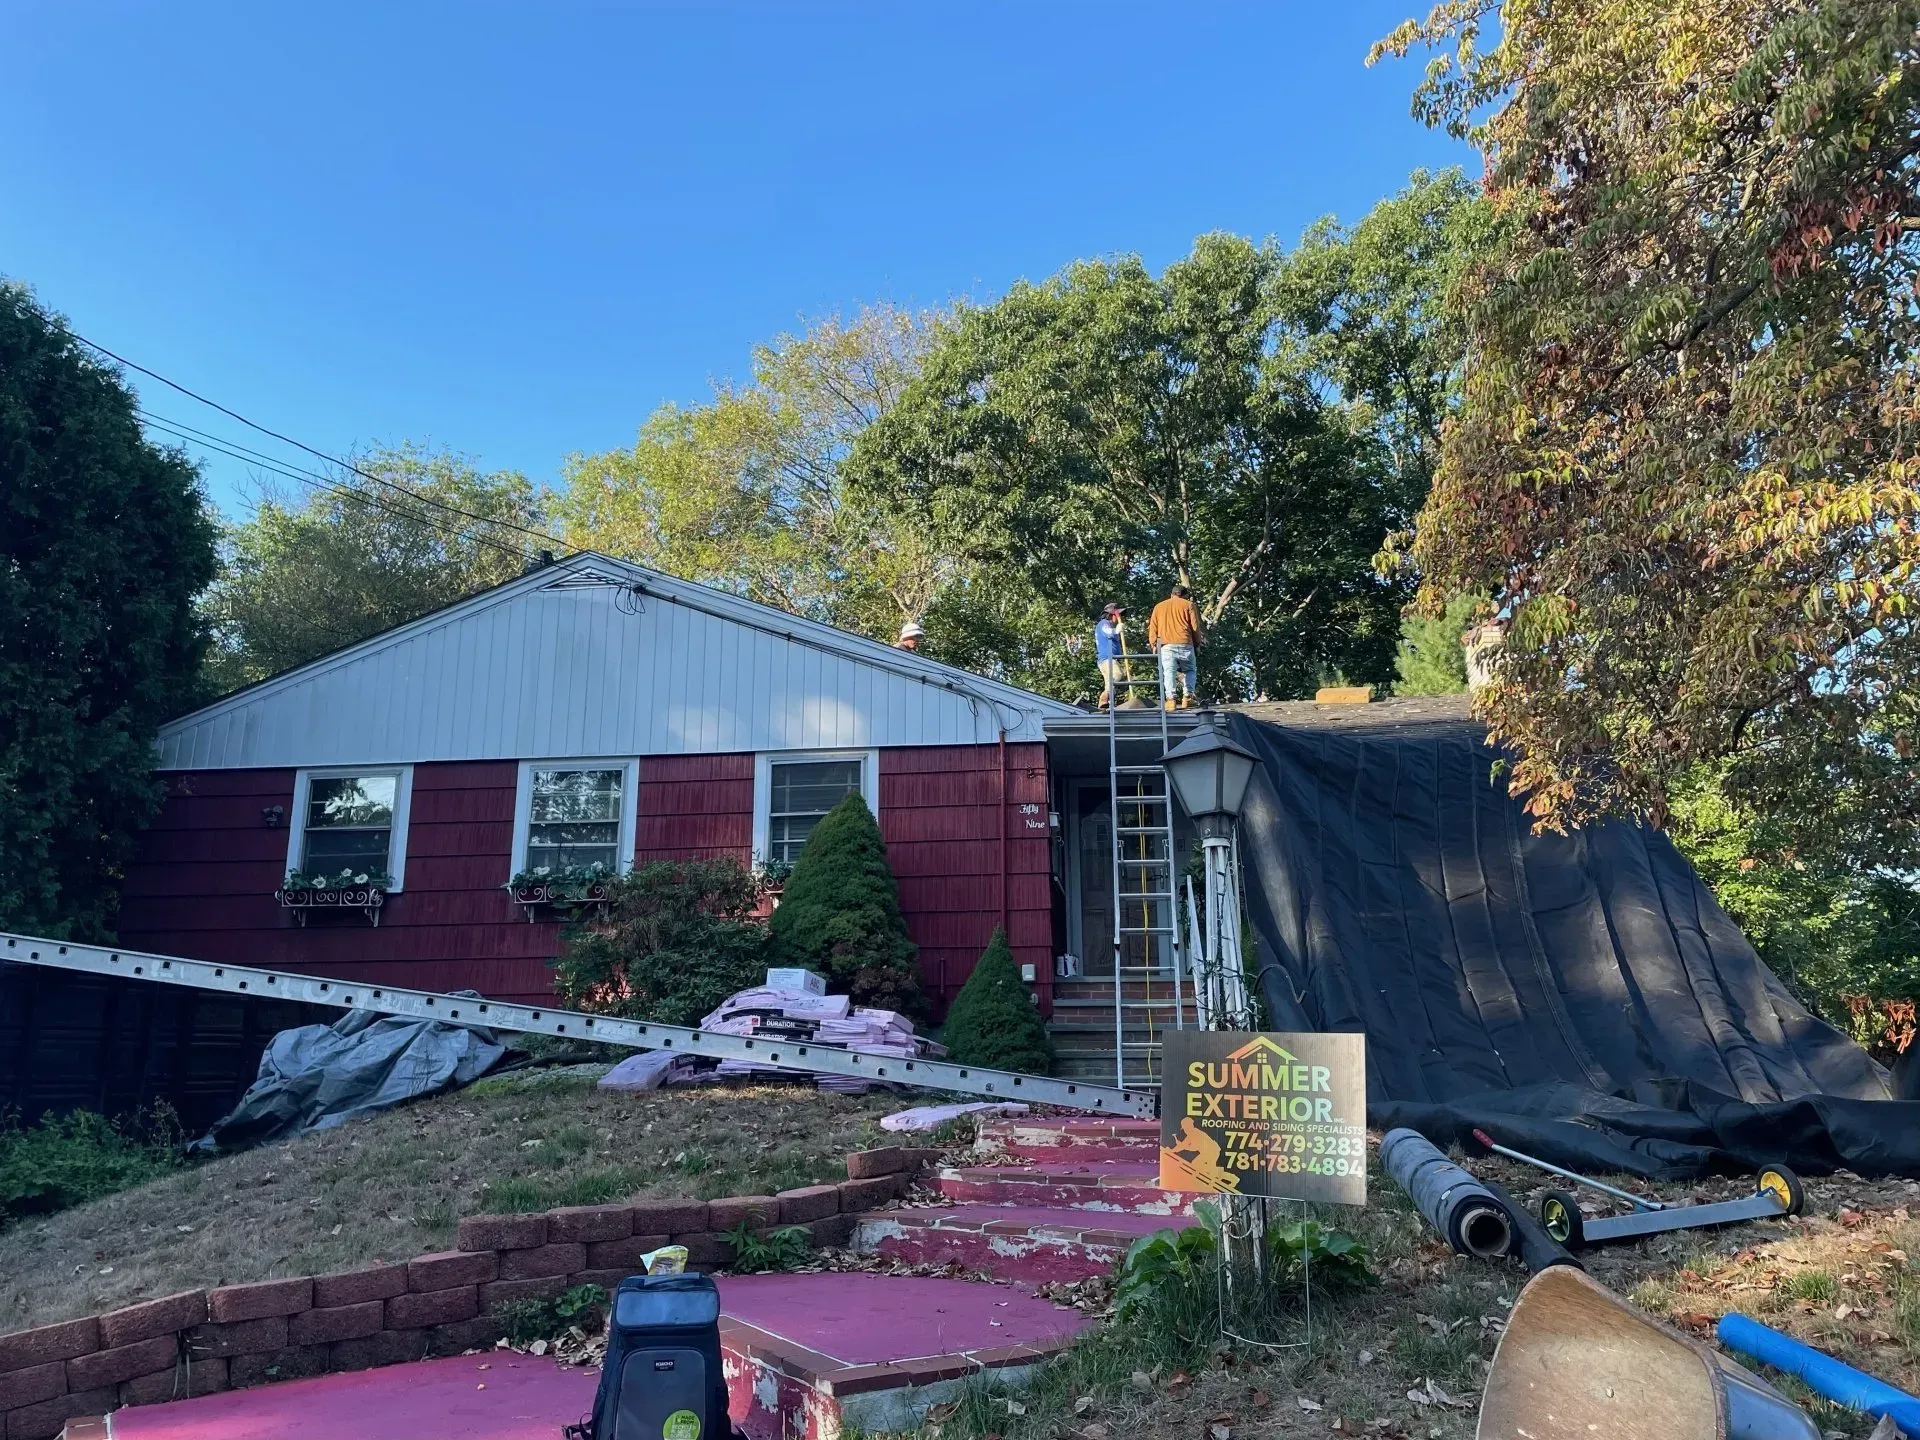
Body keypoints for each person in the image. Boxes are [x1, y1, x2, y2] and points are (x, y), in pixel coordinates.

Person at [1147, 582, 1203, 710]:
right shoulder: (1189, 605)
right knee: (1189, 670)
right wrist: (1197, 643)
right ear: (1183, 595)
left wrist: (1154, 643)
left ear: (1171, 594)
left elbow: (1153, 627)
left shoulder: (1159, 606)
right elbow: (1195, 627)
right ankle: (1187, 698)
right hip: (1185, 642)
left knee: (1169, 672)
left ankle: (1171, 700)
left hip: (1166, 644)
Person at [1093, 603, 1126, 709]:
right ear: (1112, 615)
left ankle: (1105, 703)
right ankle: (1105, 697)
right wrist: (1117, 630)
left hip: (1110, 659)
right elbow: (1108, 632)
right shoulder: (1104, 624)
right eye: (1118, 615)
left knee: (1111, 682)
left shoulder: (1107, 624)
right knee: (1117, 675)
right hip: (1107, 659)